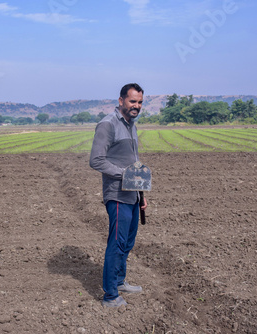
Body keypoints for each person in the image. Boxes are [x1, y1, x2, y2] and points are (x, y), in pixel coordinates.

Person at [89, 83, 148, 307]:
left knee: (128, 242)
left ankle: (120, 281)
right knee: (117, 243)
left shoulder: (131, 124)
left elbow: (133, 162)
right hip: (117, 194)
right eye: (133, 101)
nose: (137, 106)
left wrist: (141, 193)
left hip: (132, 194)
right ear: (121, 100)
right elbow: (96, 160)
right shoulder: (108, 124)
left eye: (140, 102)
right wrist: (124, 175)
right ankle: (110, 295)